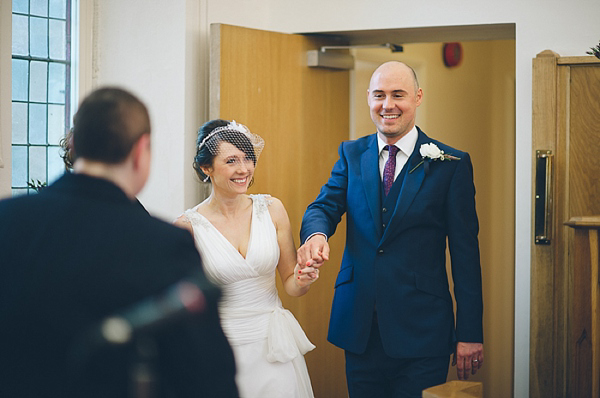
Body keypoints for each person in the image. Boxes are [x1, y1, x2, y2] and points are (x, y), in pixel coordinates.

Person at [0, 87, 238, 398]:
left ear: (74, 144)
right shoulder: (163, 245)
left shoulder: (7, 220)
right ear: (141, 151)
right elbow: (204, 377)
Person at [297, 61, 484, 398]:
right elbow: (323, 207)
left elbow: (466, 255)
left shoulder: (450, 165)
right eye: (379, 95)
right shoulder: (352, 153)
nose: (388, 105)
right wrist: (316, 235)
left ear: (418, 97)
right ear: (369, 98)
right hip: (359, 327)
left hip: (423, 332)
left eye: (398, 95)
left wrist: (469, 332)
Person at [175, 119, 318, 398]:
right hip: (221, 346)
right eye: (231, 161)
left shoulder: (272, 209)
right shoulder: (187, 227)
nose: (243, 169)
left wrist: (304, 278)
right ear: (207, 168)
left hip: (273, 345)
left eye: (248, 158)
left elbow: (290, 281)